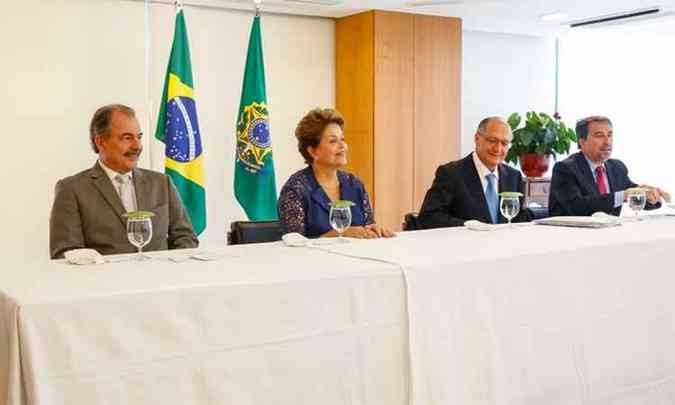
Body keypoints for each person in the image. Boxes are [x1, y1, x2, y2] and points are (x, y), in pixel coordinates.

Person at [49, 104, 198, 259]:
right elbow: (65, 255)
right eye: (127, 138)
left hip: (160, 279)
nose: (137, 146)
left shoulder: (162, 183)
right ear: (100, 142)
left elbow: (185, 238)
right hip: (104, 282)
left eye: (139, 137)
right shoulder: (71, 189)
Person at [278, 108, 394, 238]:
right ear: (312, 151)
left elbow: (366, 227)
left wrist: (374, 230)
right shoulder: (295, 190)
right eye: (333, 141)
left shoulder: (355, 185)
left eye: (342, 139)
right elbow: (293, 244)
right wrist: (339, 234)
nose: (343, 146)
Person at [417, 116, 531, 228]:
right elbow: (428, 217)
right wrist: (467, 225)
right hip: (465, 244)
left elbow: (519, 218)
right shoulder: (451, 173)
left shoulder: (513, 176)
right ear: (477, 139)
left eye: (504, 143)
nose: (498, 149)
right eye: (492, 141)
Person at [549, 115, 669, 216]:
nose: (607, 142)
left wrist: (650, 195)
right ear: (582, 141)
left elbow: (635, 197)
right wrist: (625, 195)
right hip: (571, 237)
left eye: (610, 135)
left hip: (609, 236)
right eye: (599, 135)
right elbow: (578, 207)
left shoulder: (617, 167)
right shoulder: (565, 169)